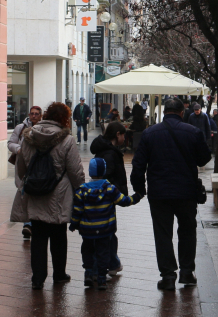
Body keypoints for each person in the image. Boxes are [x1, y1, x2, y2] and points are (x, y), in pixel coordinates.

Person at [131, 98, 212, 290]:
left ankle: (168, 276)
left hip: (159, 193)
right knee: (187, 231)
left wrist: (139, 188)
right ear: (182, 112)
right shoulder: (192, 132)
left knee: (162, 234)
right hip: (186, 192)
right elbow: (204, 159)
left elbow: (138, 165)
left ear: (164, 112)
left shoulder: (149, 133)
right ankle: (186, 272)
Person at [11, 102, 85, 290]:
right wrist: (81, 191)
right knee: (59, 235)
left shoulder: (29, 136)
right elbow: (75, 171)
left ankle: (38, 278)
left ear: (46, 115)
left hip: (36, 193)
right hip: (59, 195)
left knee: (38, 237)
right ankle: (59, 274)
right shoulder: (67, 140)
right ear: (64, 119)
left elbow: (21, 167)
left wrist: (30, 181)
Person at [71, 157, 143, 290]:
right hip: (105, 230)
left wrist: (74, 224)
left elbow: (77, 210)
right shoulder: (110, 189)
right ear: (104, 171)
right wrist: (137, 197)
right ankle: (102, 279)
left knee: (87, 251)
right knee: (103, 253)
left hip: (87, 230)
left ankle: (88, 273)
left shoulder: (82, 190)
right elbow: (124, 201)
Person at [90, 121, 131, 274]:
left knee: (108, 231)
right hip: (107, 198)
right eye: (123, 135)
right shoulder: (110, 153)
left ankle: (112, 263)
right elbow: (106, 176)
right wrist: (115, 192)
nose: (124, 139)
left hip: (104, 197)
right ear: (117, 135)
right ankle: (110, 264)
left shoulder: (106, 149)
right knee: (107, 231)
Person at [9, 105, 43, 239]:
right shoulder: (20, 128)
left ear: (40, 115)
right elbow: (10, 143)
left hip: (38, 167)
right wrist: (18, 149)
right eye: (31, 114)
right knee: (25, 193)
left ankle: (31, 223)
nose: (33, 116)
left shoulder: (43, 128)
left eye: (36, 114)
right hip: (23, 166)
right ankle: (28, 224)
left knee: (33, 195)